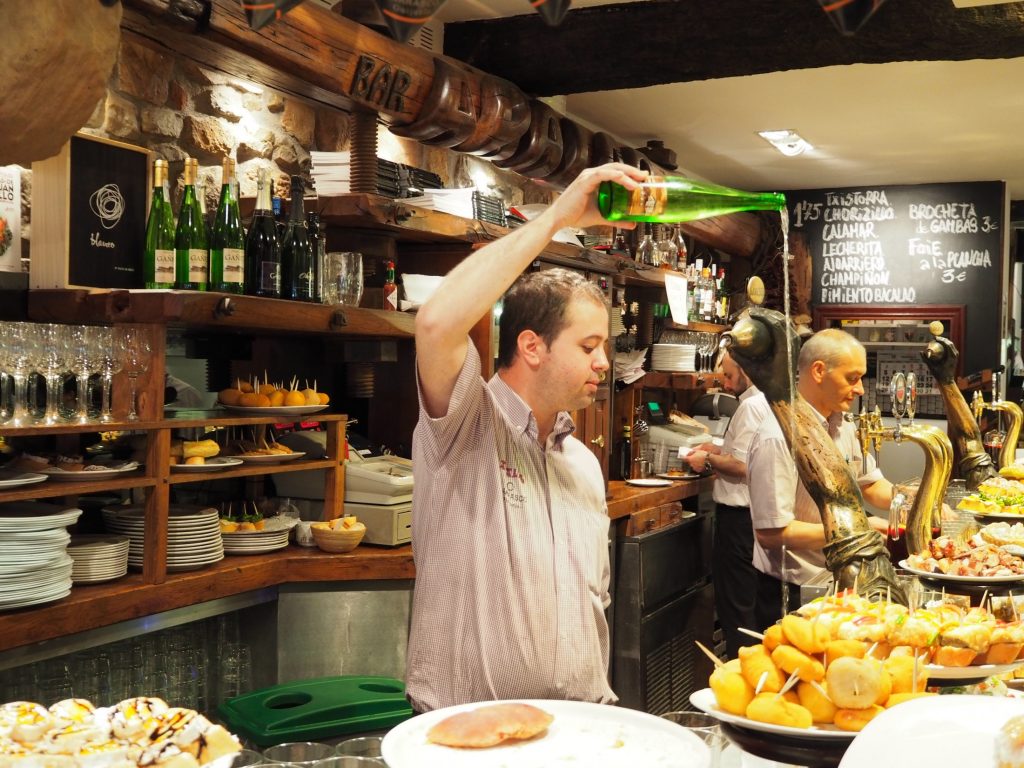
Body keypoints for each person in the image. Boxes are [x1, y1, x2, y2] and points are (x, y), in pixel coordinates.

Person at [406, 162, 649, 713]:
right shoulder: (467, 425)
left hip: (579, 728)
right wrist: (560, 216)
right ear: (532, 346)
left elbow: (595, 602)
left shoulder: (582, 463)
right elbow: (436, 324)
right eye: (588, 346)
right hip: (468, 737)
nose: (604, 363)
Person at [746, 328, 892, 629]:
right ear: (819, 371)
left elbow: (871, 485)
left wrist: (919, 500)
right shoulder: (776, 437)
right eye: (852, 378)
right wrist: (855, 531)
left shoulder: (843, 425)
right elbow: (772, 534)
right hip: (791, 594)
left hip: (837, 583)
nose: (861, 389)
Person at [685, 351, 772, 657]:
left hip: (738, 521)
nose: (725, 380)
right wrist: (718, 447)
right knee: (750, 604)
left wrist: (706, 458)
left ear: (746, 369)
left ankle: (741, 674)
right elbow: (750, 451)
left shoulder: (750, 405)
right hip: (755, 518)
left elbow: (744, 466)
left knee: (737, 608)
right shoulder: (767, 401)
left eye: (729, 374)